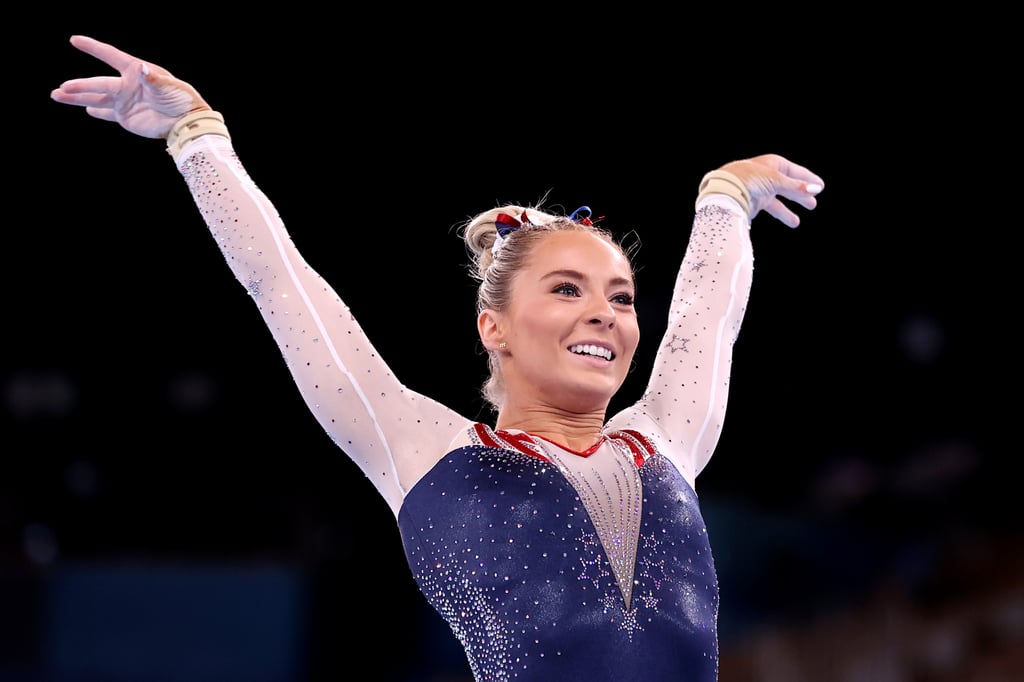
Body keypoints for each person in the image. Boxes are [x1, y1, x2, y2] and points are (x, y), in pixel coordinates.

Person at [50, 34, 824, 681]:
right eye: (567, 289)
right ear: (495, 327)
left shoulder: (664, 443)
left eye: (620, 297)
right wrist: (197, 137)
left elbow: (705, 322)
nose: (605, 313)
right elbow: (281, 286)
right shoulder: (424, 451)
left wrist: (726, 197)